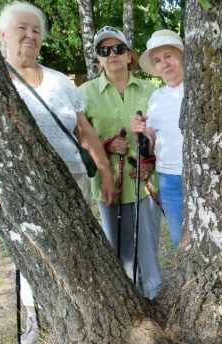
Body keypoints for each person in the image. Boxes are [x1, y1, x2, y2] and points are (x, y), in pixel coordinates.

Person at [0, 2, 116, 344]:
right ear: (3, 35)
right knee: (30, 249)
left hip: (73, 176)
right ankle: (33, 317)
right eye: (22, 28)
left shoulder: (61, 82)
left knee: (78, 243)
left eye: (36, 30)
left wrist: (105, 172)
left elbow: (85, 132)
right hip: (25, 185)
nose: (30, 35)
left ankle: (84, 305)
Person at [79, 26, 163, 299]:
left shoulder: (151, 92)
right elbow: (78, 138)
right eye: (104, 50)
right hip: (109, 185)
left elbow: (165, 135)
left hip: (144, 183)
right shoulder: (83, 94)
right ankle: (129, 303)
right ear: (98, 59)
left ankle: (153, 297)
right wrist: (104, 146)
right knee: (119, 249)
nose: (112, 54)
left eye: (118, 48)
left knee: (148, 248)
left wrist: (151, 161)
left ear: (129, 56)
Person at [134, 29, 185, 248]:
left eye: (168, 56)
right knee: (178, 237)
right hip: (168, 178)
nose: (164, 64)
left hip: (202, 175)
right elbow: (152, 140)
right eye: (157, 60)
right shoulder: (156, 97)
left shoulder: (198, 89)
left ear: (181, 56)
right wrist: (140, 132)